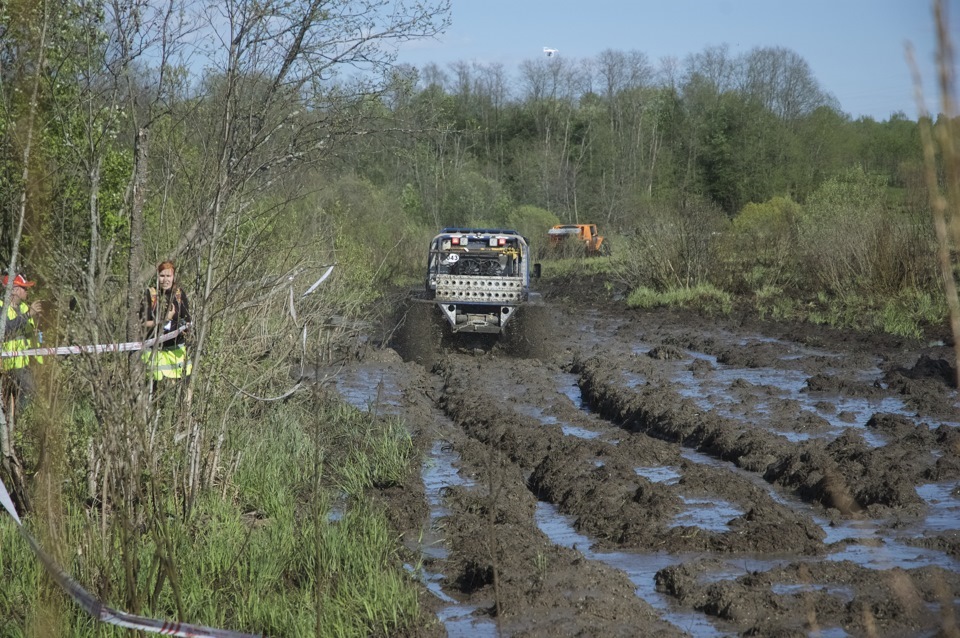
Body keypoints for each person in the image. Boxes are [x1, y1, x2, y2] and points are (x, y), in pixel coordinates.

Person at [140, 261, 192, 383]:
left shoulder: (179, 294)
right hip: (153, 347)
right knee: (155, 386)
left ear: (173, 277)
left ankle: (186, 403)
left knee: (185, 381)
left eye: (168, 276)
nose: (165, 280)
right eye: (162, 276)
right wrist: (164, 320)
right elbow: (142, 323)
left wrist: (185, 328)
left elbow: (187, 318)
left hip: (176, 347)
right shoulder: (150, 294)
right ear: (157, 276)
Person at [1, 273, 43, 418]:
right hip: (6, 365)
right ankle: (16, 425)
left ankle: (17, 427)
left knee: (28, 395)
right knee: (27, 393)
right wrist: (28, 316)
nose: (27, 292)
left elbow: (31, 335)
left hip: (24, 364)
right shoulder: (1, 307)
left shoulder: (25, 307)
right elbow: (6, 328)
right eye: (24, 288)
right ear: (15, 290)